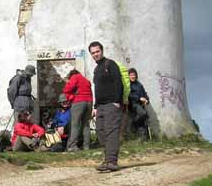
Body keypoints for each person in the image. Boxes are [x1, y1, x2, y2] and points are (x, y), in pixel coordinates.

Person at [89, 41, 124, 172]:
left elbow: (118, 83)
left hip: (112, 104)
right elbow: (97, 89)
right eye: (93, 53)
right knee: (99, 131)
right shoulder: (97, 69)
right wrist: (95, 106)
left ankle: (111, 161)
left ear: (102, 51)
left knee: (111, 132)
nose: (95, 54)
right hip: (101, 106)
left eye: (97, 51)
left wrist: (117, 101)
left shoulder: (110, 64)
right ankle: (108, 158)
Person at [63, 69, 93, 152]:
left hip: (79, 102)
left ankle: (72, 146)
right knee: (86, 125)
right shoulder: (86, 80)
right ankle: (86, 146)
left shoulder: (75, 77)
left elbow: (67, 89)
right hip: (89, 102)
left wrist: (67, 82)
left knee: (75, 125)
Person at [128, 68, 150, 141]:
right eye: (131, 75)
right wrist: (139, 98)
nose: (133, 76)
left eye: (134, 75)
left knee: (143, 120)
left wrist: (147, 100)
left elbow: (144, 94)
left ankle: (143, 138)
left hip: (140, 105)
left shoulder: (139, 85)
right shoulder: (128, 85)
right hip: (133, 105)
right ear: (128, 76)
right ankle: (134, 123)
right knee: (143, 114)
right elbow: (129, 95)